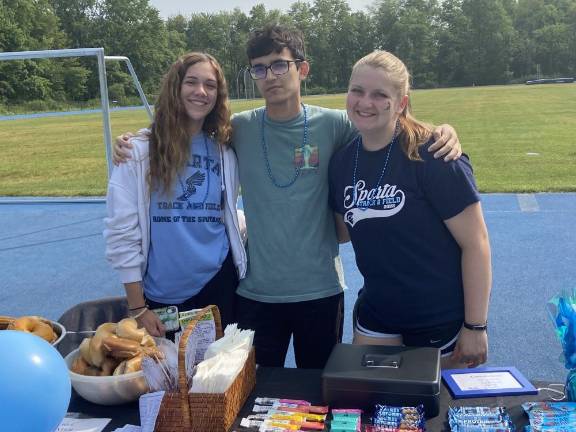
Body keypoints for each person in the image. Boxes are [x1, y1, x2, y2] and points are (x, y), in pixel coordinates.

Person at [112, 25, 462, 368]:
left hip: (321, 290)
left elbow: (385, 121)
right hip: (255, 293)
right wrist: (137, 141)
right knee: (252, 397)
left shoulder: (335, 124)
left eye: (280, 65)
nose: (271, 76)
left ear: (302, 69)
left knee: (320, 394)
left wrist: (442, 132)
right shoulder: (239, 129)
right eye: (260, 68)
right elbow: (185, 131)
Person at [329, 50, 491, 369]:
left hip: (438, 320)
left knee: (435, 415)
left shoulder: (434, 156)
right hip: (377, 313)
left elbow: (477, 243)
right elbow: (343, 232)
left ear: (401, 103)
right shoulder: (342, 162)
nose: (365, 102)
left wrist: (476, 325)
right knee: (372, 412)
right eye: (357, 91)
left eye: (380, 94)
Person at [103, 52, 247, 338]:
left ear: (218, 95)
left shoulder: (225, 151)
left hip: (219, 282)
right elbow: (122, 233)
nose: (201, 91)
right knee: (168, 378)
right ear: (175, 88)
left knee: (219, 377)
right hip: (161, 294)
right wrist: (137, 308)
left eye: (210, 85)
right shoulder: (139, 152)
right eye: (191, 82)